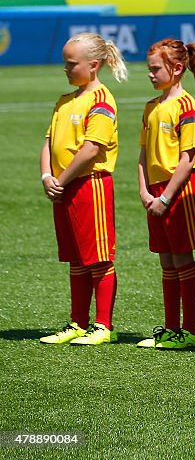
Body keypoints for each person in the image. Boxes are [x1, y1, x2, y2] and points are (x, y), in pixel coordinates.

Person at [39, 33, 127, 346]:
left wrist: (61, 180)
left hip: (91, 186)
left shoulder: (102, 100)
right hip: (63, 188)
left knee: (98, 257)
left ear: (93, 65)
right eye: (65, 62)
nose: (65, 68)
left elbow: (91, 149)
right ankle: (78, 322)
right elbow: (48, 141)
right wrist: (47, 175)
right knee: (75, 258)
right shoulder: (64, 101)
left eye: (71, 63)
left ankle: (103, 325)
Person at [135, 39, 195, 350]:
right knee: (166, 261)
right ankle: (170, 328)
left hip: (178, 191)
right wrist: (143, 190)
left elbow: (188, 159)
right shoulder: (152, 106)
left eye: (156, 68)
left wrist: (165, 197)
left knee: (182, 258)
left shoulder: (187, 108)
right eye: (149, 69)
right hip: (155, 192)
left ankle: (189, 330)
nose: (150, 74)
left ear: (177, 68)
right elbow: (142, 154)